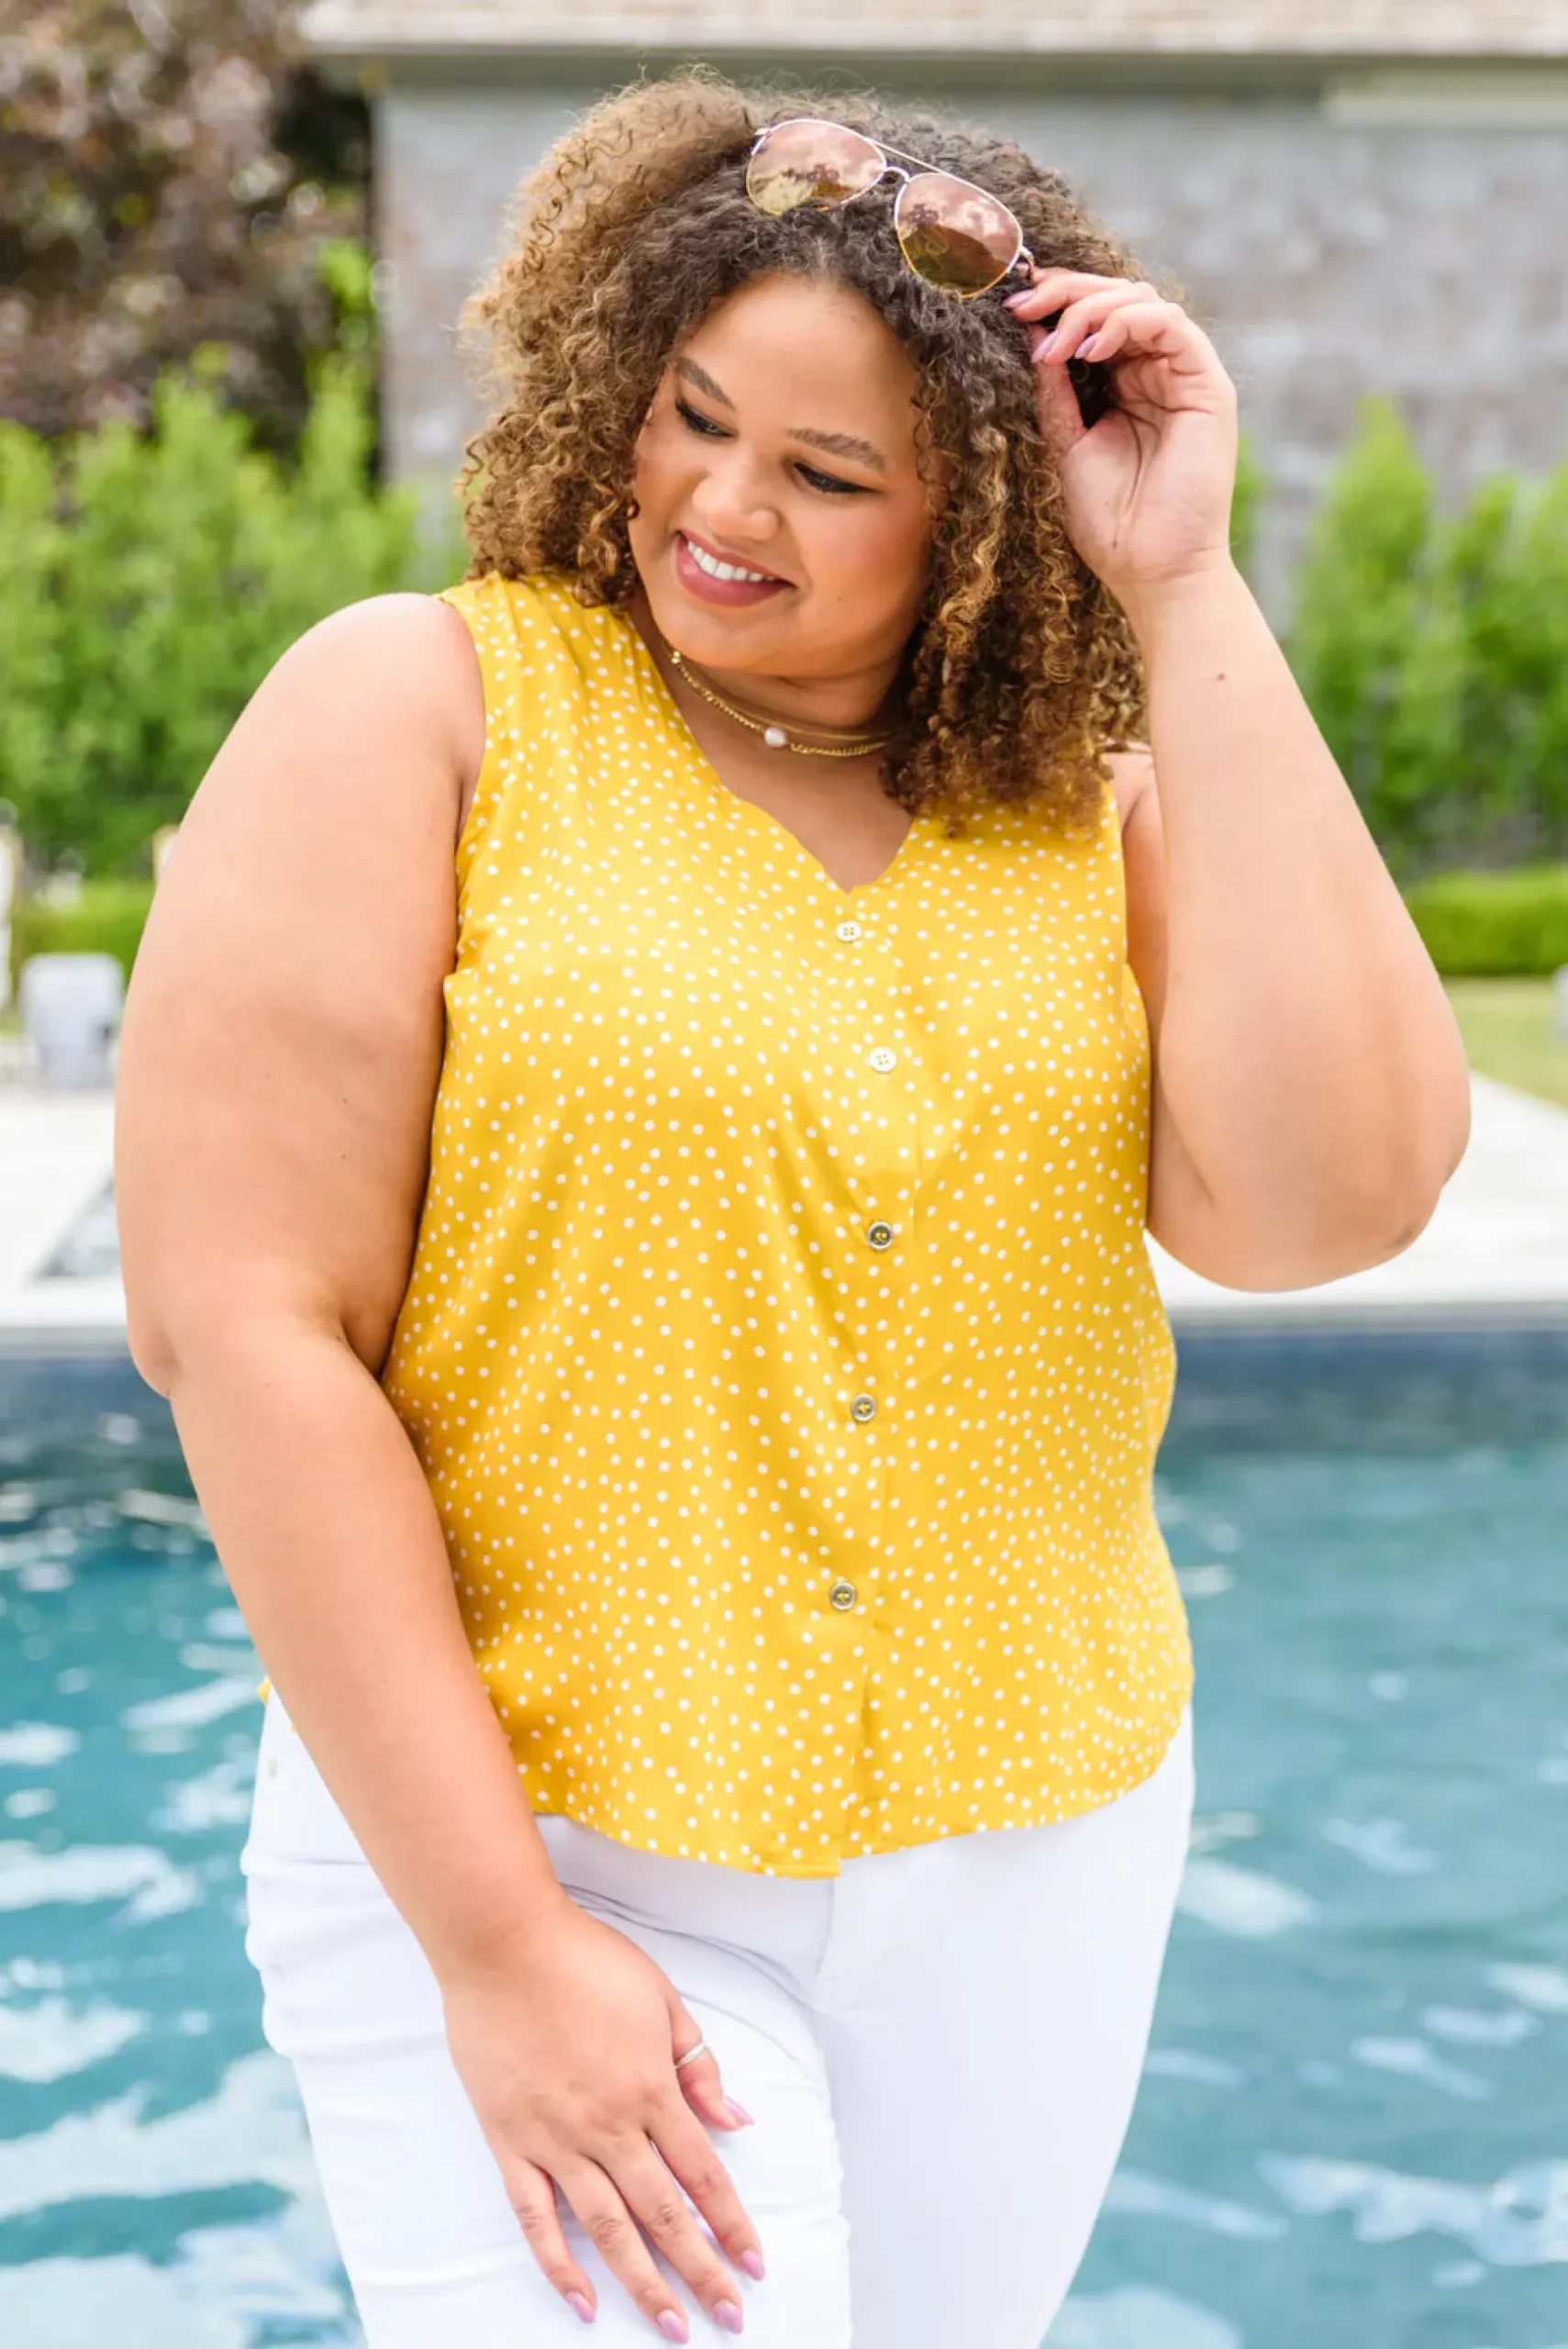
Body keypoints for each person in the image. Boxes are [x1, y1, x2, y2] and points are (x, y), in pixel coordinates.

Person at [114, 73, 1472, 2349]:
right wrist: (498, 1942)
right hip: (537, 1839)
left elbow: (1331, 1201)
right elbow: (244, 1326)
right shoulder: (421, 709)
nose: (720, 503)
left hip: (1030, 1857)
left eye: (828, 474)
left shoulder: (1086, 805)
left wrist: (1183, 578)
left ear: (980, 514)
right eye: (690, 415)